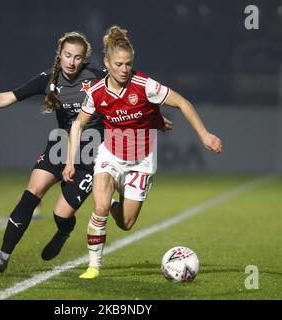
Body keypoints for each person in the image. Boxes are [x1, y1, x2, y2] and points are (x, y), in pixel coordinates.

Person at [0, 31, 173, 273]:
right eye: (67, 55)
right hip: (61, 145)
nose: (71, 62)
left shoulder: (97, 76)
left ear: (85, 59)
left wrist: (154, 117)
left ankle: (63, 231)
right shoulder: (47, 80)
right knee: (31, 194)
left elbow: (130, 90)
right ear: (59, 55)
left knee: (61, 215)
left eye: (78, 57)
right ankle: (2, 256)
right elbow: (7, 98)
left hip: (92, 153)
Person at [62, 26, 223, 279]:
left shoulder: (145, 85)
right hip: (110, 157)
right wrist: (70, 161)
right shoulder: (95, 92)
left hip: (141, 163)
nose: (124, 69)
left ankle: (113, 205)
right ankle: (93, 267)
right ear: (106, 63)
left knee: (126, 224)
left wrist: (204, 134)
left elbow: (182, 102)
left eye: (128, 64)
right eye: (118, 64)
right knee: (100, 206)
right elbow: (78, 124)